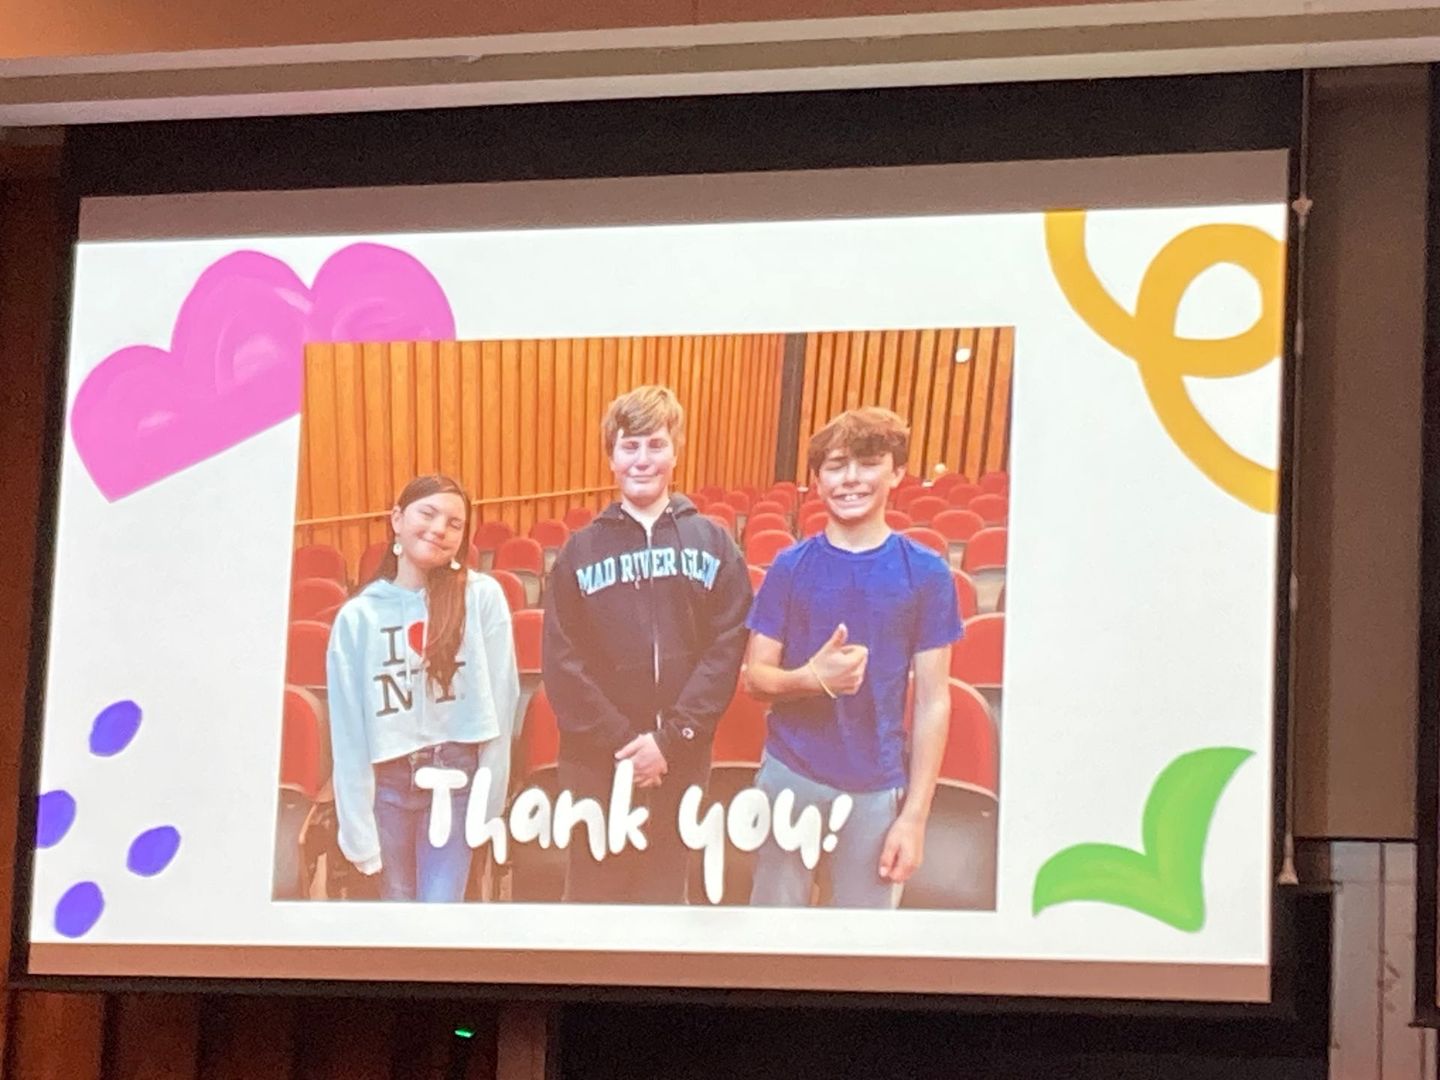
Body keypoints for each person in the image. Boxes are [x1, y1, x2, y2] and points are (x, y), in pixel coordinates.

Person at [743, 407, 962, 908]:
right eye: (836, 466)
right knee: (773, 943)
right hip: (789, 775)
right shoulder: (790, 566)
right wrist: (810, 678)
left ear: (897, 472)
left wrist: (915, 817)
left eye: (867, 463)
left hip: (875, 787)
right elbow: (756, 677)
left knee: (861, 953)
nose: (850, 479)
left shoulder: (925, 574)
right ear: (817, 481)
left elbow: (933, 703)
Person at [543, 385, 752, 904]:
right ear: (610, 457)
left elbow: (726, 649)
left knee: (665, 899)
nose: (642, 460)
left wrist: (670, 740)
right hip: (597, 761)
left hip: (682, 757)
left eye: (655, 445)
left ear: (675, 451)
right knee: (592, 901)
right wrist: (626, 743)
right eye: (629, 446)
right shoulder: (579, 550)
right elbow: (561, 662)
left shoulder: (714, 542)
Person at [325, 474, 520, 902]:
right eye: (427, 514)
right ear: (396, 519)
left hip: (457, 780)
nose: (440, 529)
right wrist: (358, 831)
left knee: (439, 917)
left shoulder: (481, 597)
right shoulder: (358, 617)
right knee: (396, 919)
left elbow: (502, 704)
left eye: (455, 523)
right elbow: (348, 731)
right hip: (387, 786)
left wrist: (488, 803)